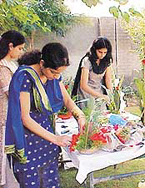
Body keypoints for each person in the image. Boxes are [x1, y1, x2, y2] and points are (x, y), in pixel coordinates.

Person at [5, 43, 85, 188]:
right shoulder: (25, 77)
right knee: (31, 182)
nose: (56, 77)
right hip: (28, 141)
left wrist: (80, 116)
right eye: (54, 72)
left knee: (50, 182)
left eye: (59, 73)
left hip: (47, 140)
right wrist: (56, 138)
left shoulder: (53, 77)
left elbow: (67, 99)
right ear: (42, 63)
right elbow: (25, 118)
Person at [0, 30, 25, 188]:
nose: (21, 51)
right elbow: (12, 93)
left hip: (13, 114)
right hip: (4, 115)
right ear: (10, 46)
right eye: (20, 48)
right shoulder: (2, 67)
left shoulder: (13, 64)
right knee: (3, 154)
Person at [71, 36, 113, 108]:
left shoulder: (107, 61)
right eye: (100, 52)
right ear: (94, 50)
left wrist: (111, 96)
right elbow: (83, 85)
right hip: (85, 94)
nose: (102, 55)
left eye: (105, 52)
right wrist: (102, 96)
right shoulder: (87, 60)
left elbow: (108, 80)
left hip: (99, 92)